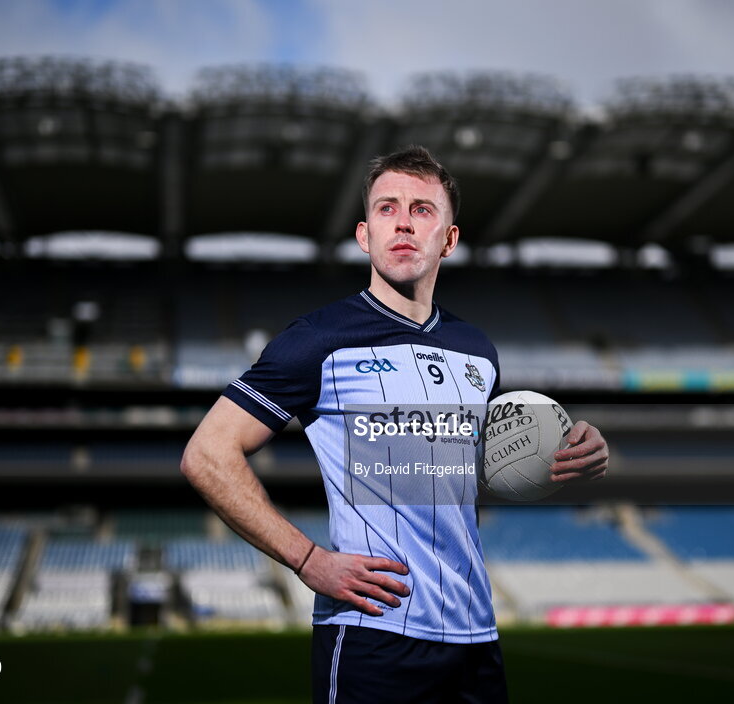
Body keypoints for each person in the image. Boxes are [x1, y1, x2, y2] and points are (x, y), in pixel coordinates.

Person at [181, 145, 609, 703]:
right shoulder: (317, 340)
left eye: (422, 209)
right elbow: (207, 453)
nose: (403, 221)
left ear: (449, 240)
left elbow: (478, 471)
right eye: (387, 208)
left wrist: (569, 453)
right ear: (364, 235)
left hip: (475, 638)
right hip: (372, 636)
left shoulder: (477, 351)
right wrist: (308, 559)